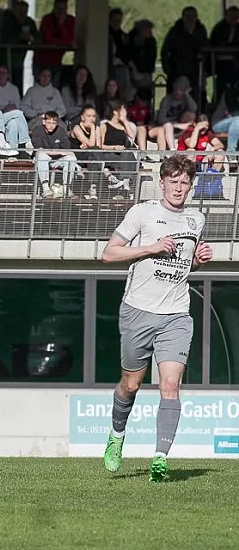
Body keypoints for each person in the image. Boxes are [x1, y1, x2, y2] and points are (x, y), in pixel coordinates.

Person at [100, 155, 210, 482]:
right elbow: (109, 254)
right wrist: (150, 247)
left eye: (184, 183)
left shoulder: (196, 219)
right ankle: (117, 435)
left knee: (171, 385)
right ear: (161, 182)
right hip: (138, 310)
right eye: (172, 181)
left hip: (176, 314)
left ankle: (160, 457)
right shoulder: (143, 212)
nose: (178, 188)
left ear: (190, 186)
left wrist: (201, 260)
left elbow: (187, 265)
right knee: (131, 384)